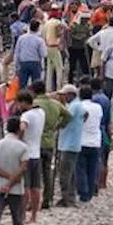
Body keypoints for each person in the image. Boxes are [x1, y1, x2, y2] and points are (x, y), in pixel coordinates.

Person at [31, 81, 71, 210]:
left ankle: (33, 201)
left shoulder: (35, 104)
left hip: (35, 142)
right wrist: (58, 126)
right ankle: (47, 199)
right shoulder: (55, 104)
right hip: (50, 142)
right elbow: (68, 116)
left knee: (34, 174)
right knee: (47, 171)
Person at [17, 91, 45, 223]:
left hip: (26, 155)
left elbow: (22, 128)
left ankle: (22, 215)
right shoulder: (41, 113)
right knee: (36, 187)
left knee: (25, 187)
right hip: (36, 153)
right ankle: (34, 216)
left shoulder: (26, 115)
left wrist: (18, 139)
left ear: (23, 102)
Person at [55, 84, 83, 207]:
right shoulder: (79, 105)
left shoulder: (74, 106)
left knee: (65, 173)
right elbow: (85, 115)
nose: (63, 97)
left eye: (64, 95)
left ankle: (66, 198)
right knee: (71, 173)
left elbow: (67, 117)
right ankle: (70, 197)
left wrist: (59, 125)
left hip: (68, 143)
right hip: (73, 142)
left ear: (70, 95)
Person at [76, 86, 103, 202]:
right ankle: (91, 191)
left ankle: (83, 193)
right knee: (92, 168)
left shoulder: (79, 107)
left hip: (81, 140)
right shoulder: (98, 107)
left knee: (81, 168)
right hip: (95, 141)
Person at [12, 21, 47, 93]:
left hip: (23, 63)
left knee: (22, 85)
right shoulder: (39, 40)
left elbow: (17, 52)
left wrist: (16, 65)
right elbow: (44, 54)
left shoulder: (21, 38)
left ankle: (22, 98)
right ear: (38, 28)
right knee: (36, 85)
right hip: (35, 63)